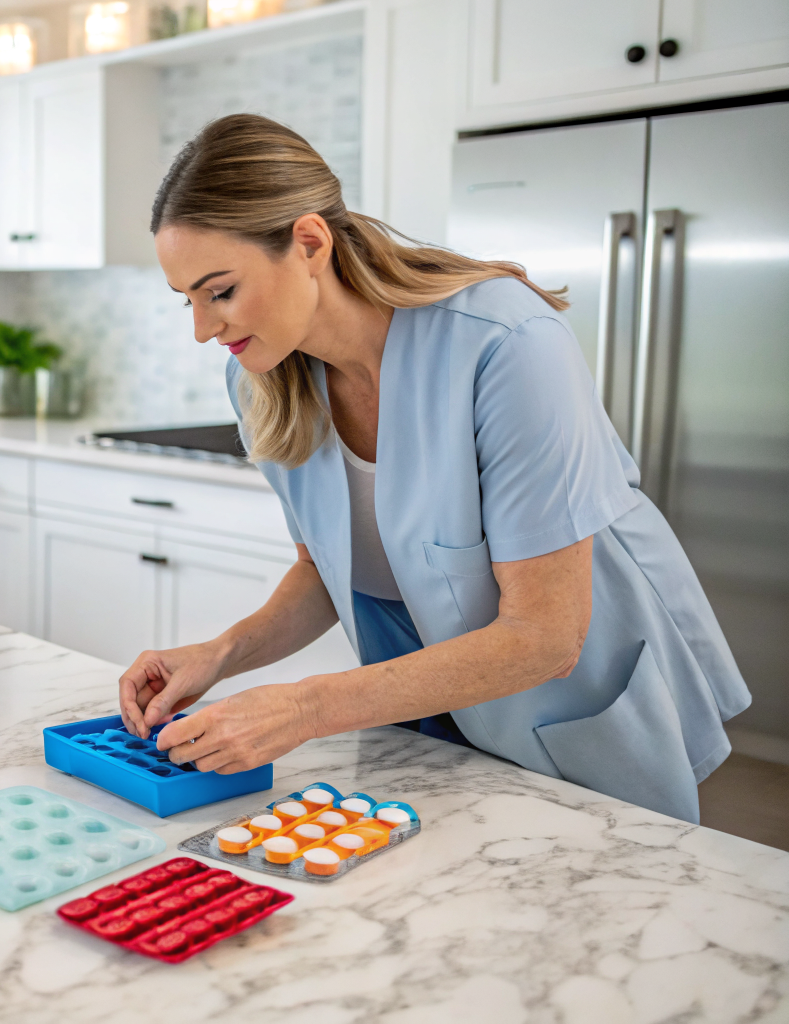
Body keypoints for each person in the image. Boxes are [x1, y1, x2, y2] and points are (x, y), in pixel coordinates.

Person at [119, 115, 748, 824]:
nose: (203, 329)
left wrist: (303, 707)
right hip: (425, 713)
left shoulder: (505, 344)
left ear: (309, 243)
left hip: (573, 708)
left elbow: (544, 637)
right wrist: (218, 653)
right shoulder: (262, 380)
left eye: (221, 292)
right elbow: (326, 572)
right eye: (188, 300)